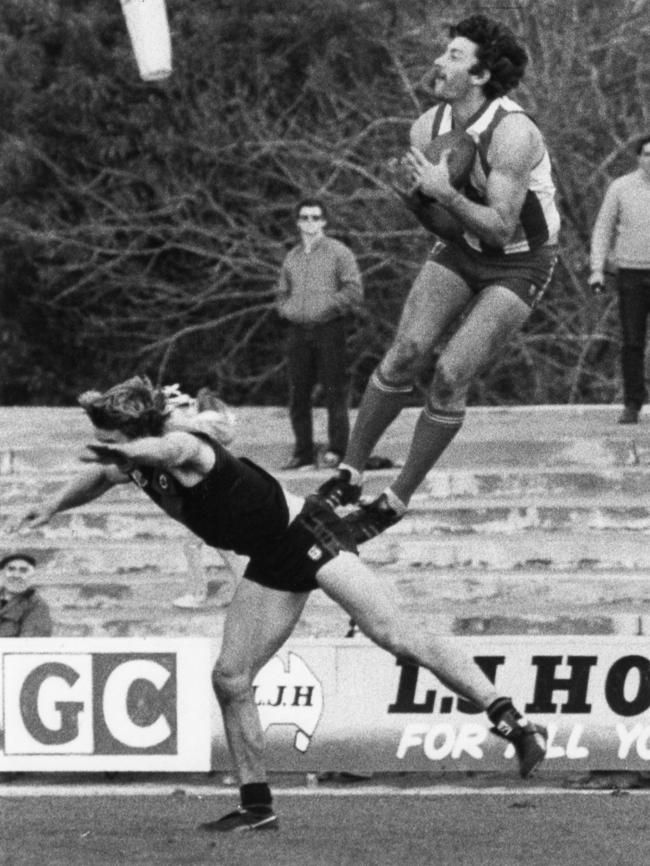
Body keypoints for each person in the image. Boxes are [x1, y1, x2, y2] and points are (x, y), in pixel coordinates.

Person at [14, 375, 545, 831]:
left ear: (135, 435)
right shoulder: (131, 460)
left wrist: (126, 451)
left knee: (395, 635)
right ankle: (256, 806)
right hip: (269, 561)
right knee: (230, 678)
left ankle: (513, 721)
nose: (104, 447)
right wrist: (52, 504)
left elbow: (162, 450)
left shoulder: (183, 446)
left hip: (309, 533)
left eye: (111, 439)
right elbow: (99, 477)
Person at [317, 14, 560, 543]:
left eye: (453, 55)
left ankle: (395, 500)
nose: (438, 61)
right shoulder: (426, 127)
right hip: (459, 246)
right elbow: (442, 224)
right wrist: (415, 198)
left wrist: (445, 193)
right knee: (406, 349)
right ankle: (348, 475)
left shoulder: (514, 132)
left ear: (479, 75)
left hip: (519, 261)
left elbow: (498, 230)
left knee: (450, 373)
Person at [276, 198, 363, 470]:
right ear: (298, 222)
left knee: (334, 392)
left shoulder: (339, 252)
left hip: (329, 329)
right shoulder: (293, 257)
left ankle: (338, 450)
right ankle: (303, 452)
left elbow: (353, 291)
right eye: (305, 218)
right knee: (297, 393)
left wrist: (326, 308)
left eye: (315, 217)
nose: (310, 223)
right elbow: (282, 292)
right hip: (298, 332)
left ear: (324, 221)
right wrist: (288, 310)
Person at [163, 384, 246, 609]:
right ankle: (243, 590)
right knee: (221, 545)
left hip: (210, 492)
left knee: (194, 543)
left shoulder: (204, 424)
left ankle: (197, 594)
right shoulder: (213, 423)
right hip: (215, 490)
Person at [589, 134, 650, 424]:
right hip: (631, 274)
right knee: (632, 341)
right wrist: (597, 269)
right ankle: (632, 403)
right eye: (647, 154)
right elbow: (603, 229)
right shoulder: (621, 187)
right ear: (638, 158)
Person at [0, 553, 53, 637]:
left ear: (31, 576)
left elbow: (29, 645)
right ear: (2, 573)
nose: (16, 575)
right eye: (11, 569)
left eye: (23, 570)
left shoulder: (36, 605)